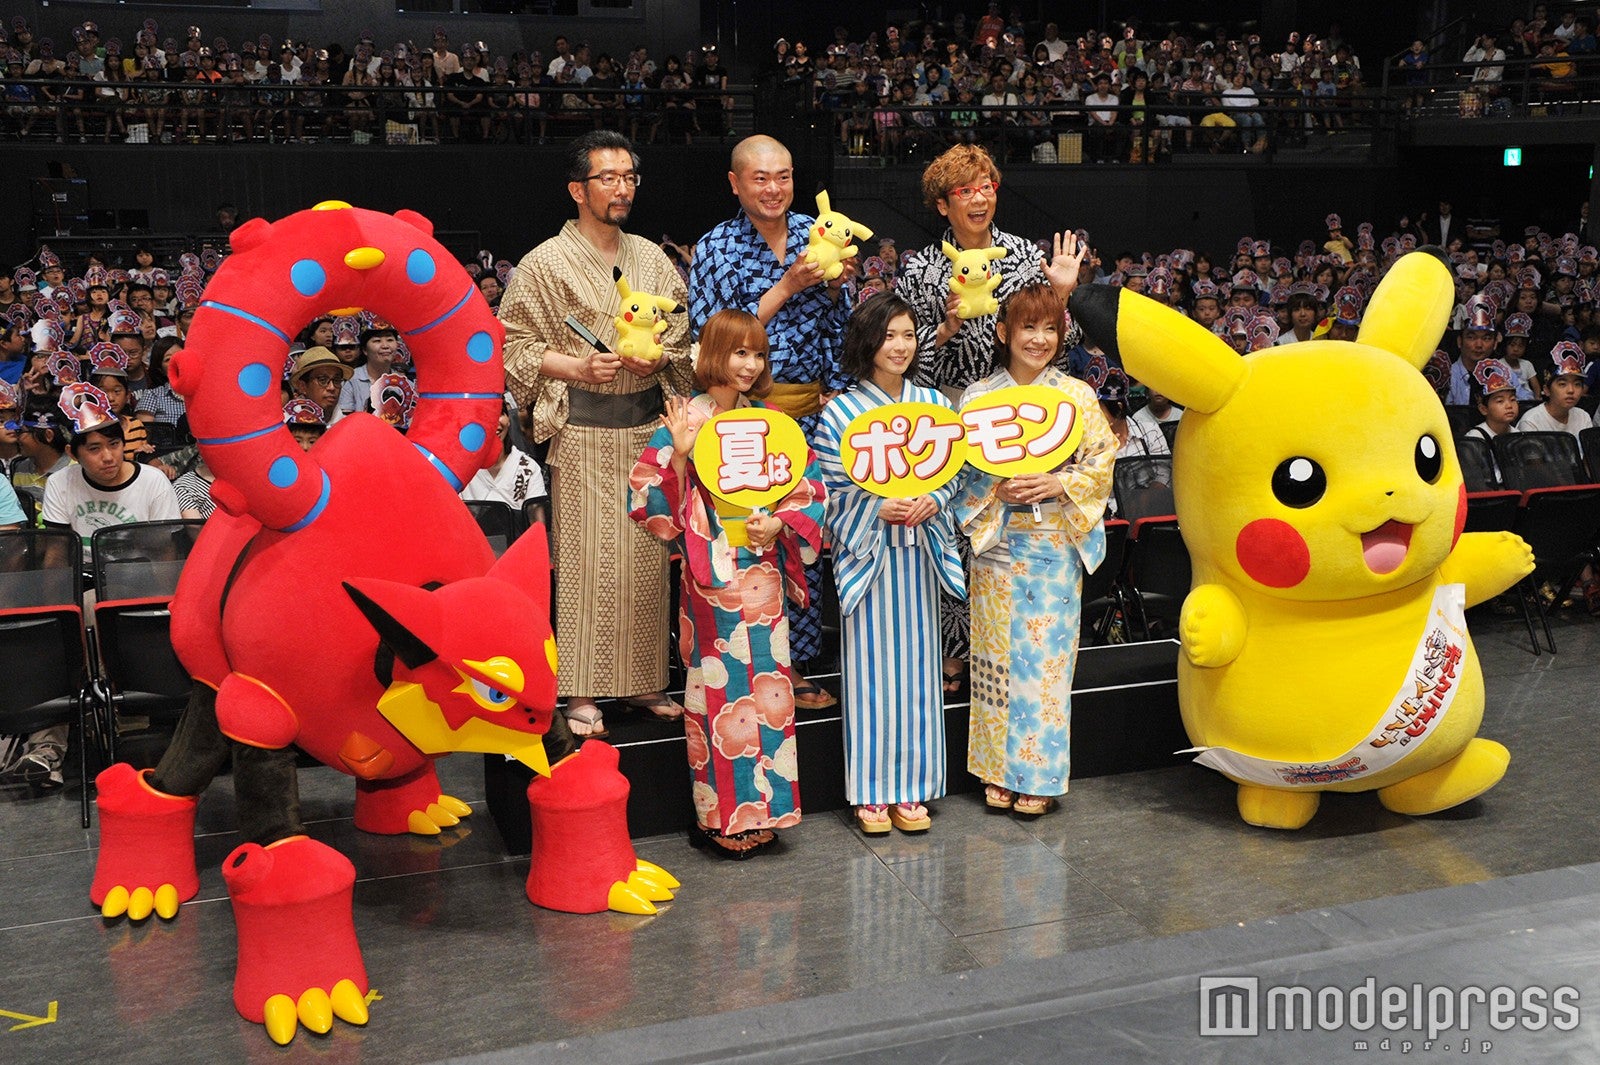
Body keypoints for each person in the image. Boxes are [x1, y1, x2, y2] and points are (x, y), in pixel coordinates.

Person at [500, 131, 693, 738]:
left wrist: (659, 357)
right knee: (584, 562)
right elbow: (512, 345)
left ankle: (641, 679)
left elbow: (682, 335)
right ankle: (579, 688)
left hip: (647, 427)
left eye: (629, 177)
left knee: (645, 557)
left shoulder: (652, 258)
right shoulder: (543, 263)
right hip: (582, 429)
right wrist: (578, 366)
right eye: (608, 177)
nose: (622, 188)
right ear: (577, 189)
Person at [628, 309, 825, 857]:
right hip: (713, 570)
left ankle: (770, 808)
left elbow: (806, 486)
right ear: (713, 352)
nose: (749, 364)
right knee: (719, 690)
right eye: (739, 352)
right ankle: (722, 815)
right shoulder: (685, 414)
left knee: (769, 687)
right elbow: (644, 500)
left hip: (761, 568)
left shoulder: (766, 418)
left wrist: (781, 519)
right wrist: (683, 456)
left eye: (757, 354)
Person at [897, 142, 1088, 695]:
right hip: (953, 407)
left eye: (987, 188)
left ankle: (1008, 639)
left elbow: (1051, 337)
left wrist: (1060, 293)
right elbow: (905, 357)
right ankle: (956, 652)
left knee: (1010, 527)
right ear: (942, 205)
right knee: (956, 526)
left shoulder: (1026, 258)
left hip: (1016, 410)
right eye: (965, 191)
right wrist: (943, 332)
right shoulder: (922, 269)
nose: (979, 199)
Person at [689, 134, 855, 708]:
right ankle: (749, 665)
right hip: (745, 422)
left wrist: (837, 385)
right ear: (735, 183)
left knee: (807, 540)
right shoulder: (716, 247)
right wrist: (787, 286)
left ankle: (800, 664)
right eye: (760, 178)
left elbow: (841, 322)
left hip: (815, 414)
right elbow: (712, 339)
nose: (774, 189)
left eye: (783, 176)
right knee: (750, 544)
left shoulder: (820, 233)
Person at [953, 285, 1115, 816]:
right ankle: (998, 771)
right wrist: (993, 490)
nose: (1039, 339)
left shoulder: (1077, 397)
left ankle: (1039, 776)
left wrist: (1056, 483)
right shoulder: (977, 399)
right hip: (998, 542)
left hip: (1053, 545)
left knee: (1044, 665)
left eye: (1050, 329)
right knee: (996, 661)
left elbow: (1101, 461)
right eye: (1027, 328)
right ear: (1004, 333)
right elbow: (958, 475)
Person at [816, 295, 965, 835]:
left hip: (920, 554)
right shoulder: (840, 411)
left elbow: (957, 471)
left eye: (907, 335)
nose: (899, 346)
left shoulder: (932, 403)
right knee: (871, 676)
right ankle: (873, 791)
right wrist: (873, 505)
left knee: (920, 676)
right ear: (867, 342)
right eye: (889, 336)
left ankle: (915, 787)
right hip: (871, 557)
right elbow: (826, 488)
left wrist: (937, 499)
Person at [460, 394, 548, 525]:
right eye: (485, 417)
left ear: (509, 419)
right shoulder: (462, 468)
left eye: (500, 414)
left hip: (516, 543)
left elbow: (537, 524)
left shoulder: (527, 467)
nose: (495, 423)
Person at [1518, 341, 1593, 441]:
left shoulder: (1583, 417)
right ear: (1547, 390)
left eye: (1577, 384)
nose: (1571, 390)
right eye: (1562, 384)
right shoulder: (1531, 422)